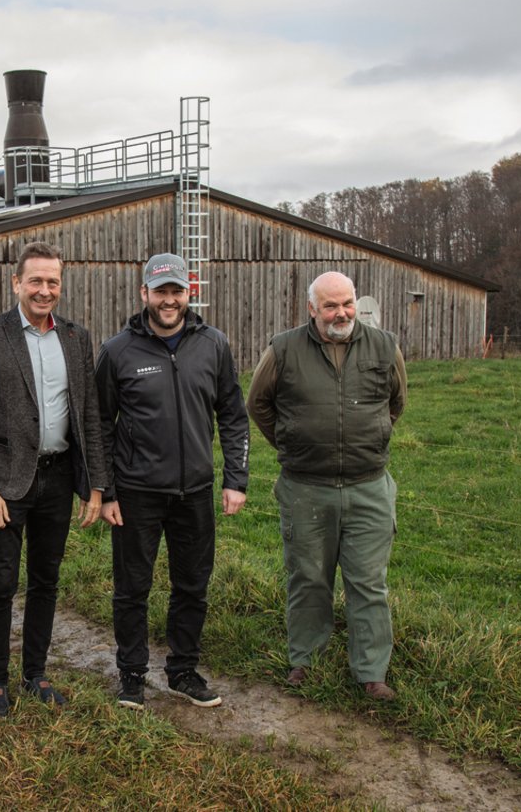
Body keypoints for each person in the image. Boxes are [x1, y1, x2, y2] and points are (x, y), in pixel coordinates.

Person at [0, 241, 107, 720]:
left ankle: (35, 673)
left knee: (46, 580)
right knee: (1, 582)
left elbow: (89, 416)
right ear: (16, 283)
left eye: (53, 282)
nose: (45, 290)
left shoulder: (77, 338)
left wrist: (95, 485)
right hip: (6, 484)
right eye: (36, 281)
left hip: (58, 479)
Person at [96, 252, 250, 709]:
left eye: (176, 291)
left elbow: (234, 417)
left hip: (195, 493)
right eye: (160, 291)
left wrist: (235, 478)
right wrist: (107, 492)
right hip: (137, 494)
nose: (169, 300)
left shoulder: (214, 345)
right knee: (132, 588)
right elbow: (100, 426)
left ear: (189, 292)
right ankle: (132, 675)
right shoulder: (117, 351)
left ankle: (183, 671)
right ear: (144, 293)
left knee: (192, 585)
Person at [247, 270, 406, 701]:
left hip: (368, 485)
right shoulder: (283, 349)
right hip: (305, 487)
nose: (342, 313)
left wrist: (370, 436)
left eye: (348, 303)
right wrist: (292, 441)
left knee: (368, 582)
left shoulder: (383, 346)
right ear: (312, 309)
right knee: (309, 578)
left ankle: (371, 672)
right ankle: (305, 660)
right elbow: (257, 402)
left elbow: (395, 403)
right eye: (331, 305)